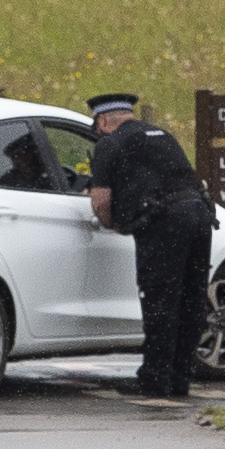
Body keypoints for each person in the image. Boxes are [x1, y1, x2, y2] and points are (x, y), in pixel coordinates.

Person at [86, 92, 210, 399]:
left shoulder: (109, 144)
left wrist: (112, 224)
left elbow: (100, 200)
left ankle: (154, 380)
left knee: (160, 302)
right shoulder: (163, 136)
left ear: (103, 120)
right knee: (191, 301)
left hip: (163, 224)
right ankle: (180, 379)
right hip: (200, 216)